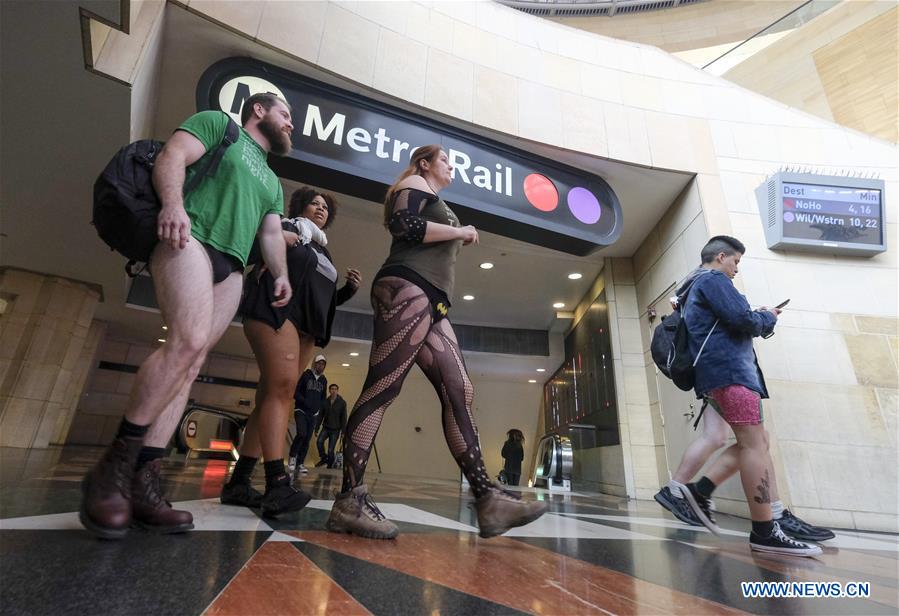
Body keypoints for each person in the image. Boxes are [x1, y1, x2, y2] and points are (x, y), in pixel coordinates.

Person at [80, 93, 294, 539]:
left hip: (232, 266)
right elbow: (173, 156)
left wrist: (279, 274)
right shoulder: (220, 125)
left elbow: (271, 232)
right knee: (188, 341)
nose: (291, 125)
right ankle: (112, 468)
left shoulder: (274, 182)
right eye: (286, 115)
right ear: (260, 110)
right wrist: (173, 205)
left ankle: (144, 481)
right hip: (189, 237)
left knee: (193, 363)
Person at [325, 145, 547, 540]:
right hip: (407, 286)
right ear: (424, 163)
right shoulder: (413, 182)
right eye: (444, 160)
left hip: (431, 298)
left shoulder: (434, 196)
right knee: (382, 388)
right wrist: (461, 231)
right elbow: (404, 226)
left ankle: (488, 500)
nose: (450, 166)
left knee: (459, 388)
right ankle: (349, 501)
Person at [671, 236, 821, 556]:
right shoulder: (713, 279)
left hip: (722, 374)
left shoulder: (693, 287)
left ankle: (703, 491)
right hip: (730, 373)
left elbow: (735, 321)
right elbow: (742, 320)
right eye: (736, 261)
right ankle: (764, 530)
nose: (737, 268)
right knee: (754, 444)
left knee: (757, 441)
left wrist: (759, 318)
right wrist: (767, 316)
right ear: (722, 256)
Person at [219, 188, 360, 515]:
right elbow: (251, 250)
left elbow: (321, 299)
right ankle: (276, 483)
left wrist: (348, 292)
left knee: (271, 395)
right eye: (315, 203)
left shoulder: (323, 250)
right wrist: (280, 237)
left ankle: (239, 483)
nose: (321, 209)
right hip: (275, 312)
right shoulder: (288, 226)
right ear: (301, 207)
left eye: (326, 206)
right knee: (281, 392)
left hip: (306, 328)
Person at [289, 355, 329, 476]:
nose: (320, 366)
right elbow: (295, 392)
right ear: (314, 364)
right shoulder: (306, 375)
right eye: (318, 363)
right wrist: (304, 401)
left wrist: (319, 406)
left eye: (323, 364)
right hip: (301, 410)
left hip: (313, 414)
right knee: (301, 433)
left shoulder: (323, 380)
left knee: (307, 439)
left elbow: (323, 397)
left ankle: (300, 463)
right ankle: (292, 457)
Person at [315, 384, 347, 467]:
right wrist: (317, 428)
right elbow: (320, 416)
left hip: (335, 430)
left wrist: (343, 432)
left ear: (337, 390)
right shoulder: (325, 402)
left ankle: (330, 465)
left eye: (335, 389)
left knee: (330, 450)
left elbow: (344, 418)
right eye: (332, 389)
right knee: (319, 442)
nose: (334, 390)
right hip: (326, 428)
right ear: (329, 391)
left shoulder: (342, 403)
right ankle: (323, 458)